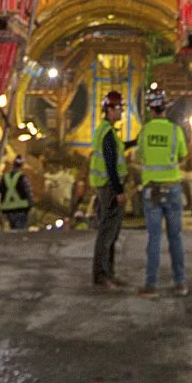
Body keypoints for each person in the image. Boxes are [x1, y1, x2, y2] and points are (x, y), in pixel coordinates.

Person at [135, 87, 189, 296]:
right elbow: (183, 156)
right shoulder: (176, 131)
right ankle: (180, 283)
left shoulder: (145, 131)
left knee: (154, 237)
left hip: (152, 191)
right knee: (175, 237)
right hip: (173, 188)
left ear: (150, 109)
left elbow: (141, 156)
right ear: (165, 108)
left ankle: (151, 285)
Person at [88, 88, 128, 287]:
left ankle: (109, 273)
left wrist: (135, 142)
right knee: (107, 233)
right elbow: (111, 165)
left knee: (111, 233)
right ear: (110, 110)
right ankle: (101, 276)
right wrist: (119, 190)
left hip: (106, 187)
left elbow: (117, 152)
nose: (122, 112)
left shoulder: (106, 131)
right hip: (110, 189)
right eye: (119, 108)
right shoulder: (108, 135)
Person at [0, 154, 33, 231]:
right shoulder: (22, 177)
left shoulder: (5, 177)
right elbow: (28, 191)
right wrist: (31, 204)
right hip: (21, 209)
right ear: (22, 165)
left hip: (8, 209)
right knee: (20, 230)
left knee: (13, 230)